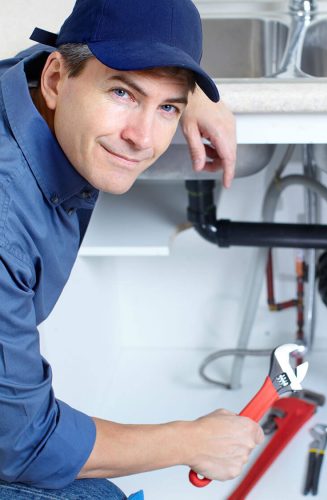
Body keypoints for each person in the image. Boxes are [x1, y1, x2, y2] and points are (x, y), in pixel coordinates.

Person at [0, 0, 264, 498]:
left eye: (168, 108)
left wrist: (180, 92)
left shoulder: (26, 86)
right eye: (122, 93)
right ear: (57, 80)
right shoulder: (6, 222)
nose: (142, 138)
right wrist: (190, 441)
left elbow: (68, 59)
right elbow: (20, 444)